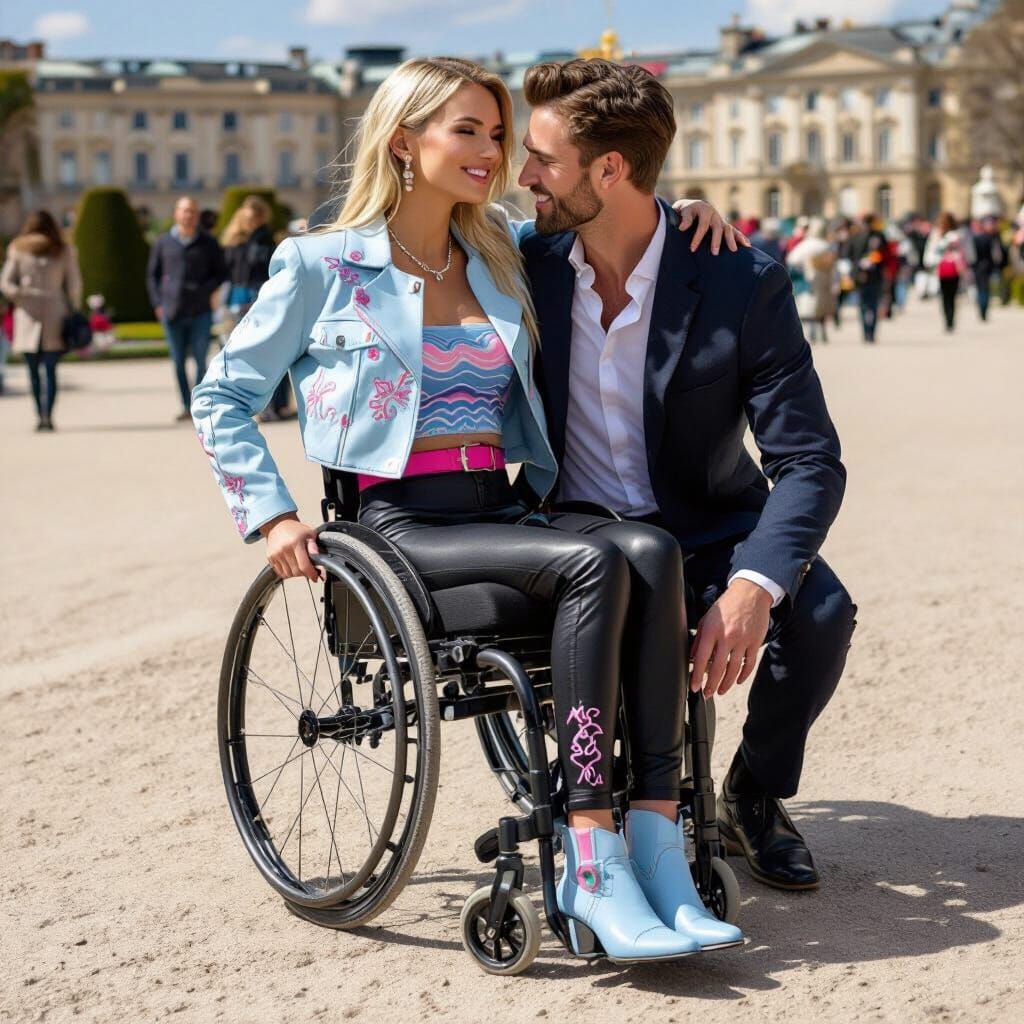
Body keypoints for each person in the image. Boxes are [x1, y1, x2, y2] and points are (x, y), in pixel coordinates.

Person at [192, 56, 747, 962]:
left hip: (500, 507)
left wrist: (683, 217)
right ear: (404, 141)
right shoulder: (320, 265)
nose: (493, 151)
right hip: (396, 528)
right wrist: (273, 516)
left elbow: (614, 205)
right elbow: (223, 396)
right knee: (594, 559)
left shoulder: (504, 256)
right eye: (470, 131)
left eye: (498, 133)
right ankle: (589, 854)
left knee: (648, 549)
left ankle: (656, 838)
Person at [515, 58, 855, 892]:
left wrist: (754, 586)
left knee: (819, 611)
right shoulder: (519, 261)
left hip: (705, 524)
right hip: (573, 534)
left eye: (543, 160)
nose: (524, 176)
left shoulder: (741, 278)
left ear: (610, 169)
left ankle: (753, 792)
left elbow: (809, 458)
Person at [0, 209, 82, 431]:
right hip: (55, 312)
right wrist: (73, 307)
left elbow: (5, 283)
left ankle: (40, 414)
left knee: (33, 371)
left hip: (27, 313)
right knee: (51, 369)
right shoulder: (63, 249)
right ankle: (48, 415)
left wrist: (20, 295)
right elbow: (74, 286)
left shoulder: (17, 248)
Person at [147, 196, 226, 421]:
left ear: (197, 215)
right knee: (178, 361)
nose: (188, 215)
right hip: (172, 311)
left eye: (192, 211)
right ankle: (184, 404)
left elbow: (221, 273)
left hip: (201, 310)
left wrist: (205, 289)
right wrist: (157, 303)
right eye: (184, 211)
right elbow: (152, 276)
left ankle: (198, 404)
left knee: (200, 361)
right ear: (176, 214)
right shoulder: (163, 242)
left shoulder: (208, 242)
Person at [219, 196, 289, 419]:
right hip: (237, 299)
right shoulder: (233, 241)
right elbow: (226, 274)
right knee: (241, 355)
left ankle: (276, 405)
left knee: (270, 353)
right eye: (249, 218)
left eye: (256, 218)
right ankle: (246, 404)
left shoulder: (269, 240)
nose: (252, 223)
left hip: (261, 297)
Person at [786, 217, 836, 342]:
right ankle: (823, 333)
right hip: (825, 279)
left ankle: (812, 333)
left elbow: (792, 259)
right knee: (822, 307)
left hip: (810, 278)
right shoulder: (826, 245)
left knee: (811, 307)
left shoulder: (805, 245)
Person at [925, 211, 971, 333]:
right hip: (955, 268)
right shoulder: (957, 234)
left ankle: (948, 319)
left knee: (945, 295)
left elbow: (931, 250)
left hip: (943, 267)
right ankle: (950, 319)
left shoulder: (939, 234)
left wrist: (929, 263)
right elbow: (966, 251)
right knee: (952, 295)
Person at [845, 212, 888, 343]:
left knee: (862, 305)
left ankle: (865, 332)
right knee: (873, 304)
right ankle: (871, 333)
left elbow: (847, 254)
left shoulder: (854, 236)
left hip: (859, 274)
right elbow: (886, 254)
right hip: (875, 274)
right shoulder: (879, 236)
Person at [970, 215, 1006, 322]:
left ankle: (981, 308)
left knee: (980, 288)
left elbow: (971, 255)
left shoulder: (975, 239)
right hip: (988, 266)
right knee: (986, 289)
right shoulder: (991, 238)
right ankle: (984, 309)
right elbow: (997, 255)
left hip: (977, 267)